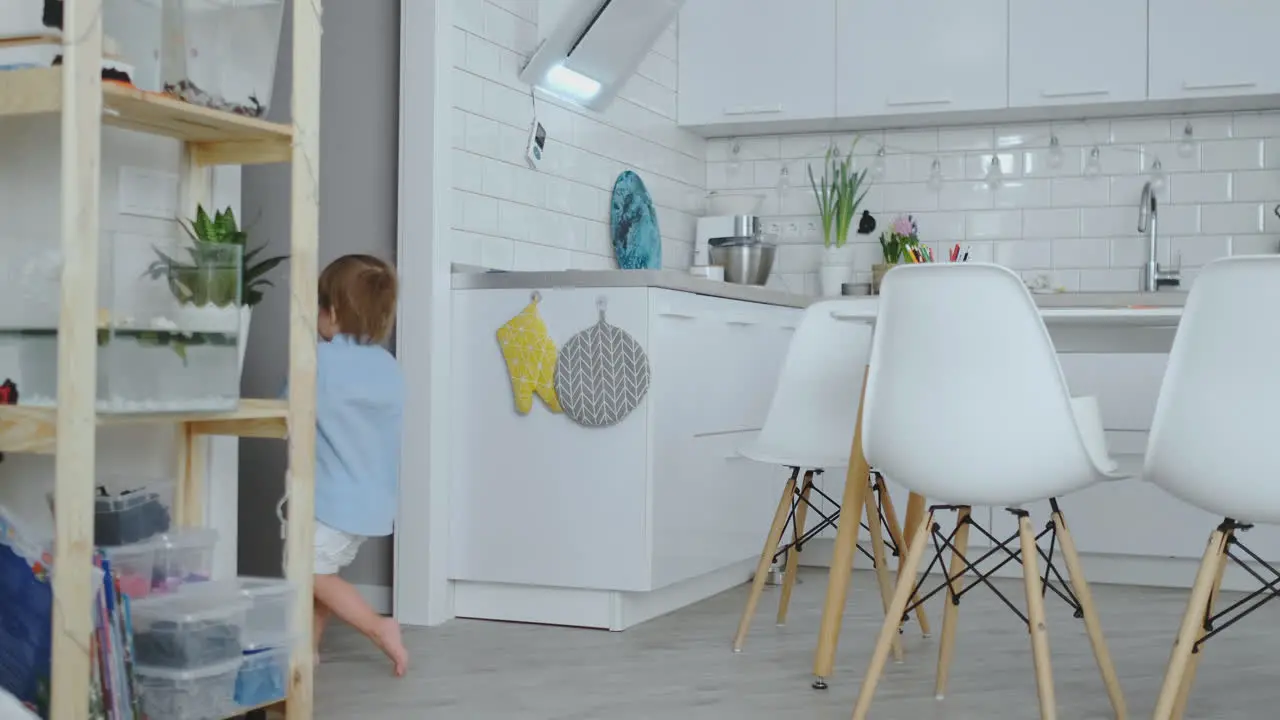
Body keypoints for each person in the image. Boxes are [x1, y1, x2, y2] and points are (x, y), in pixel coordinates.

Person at [293, 254, 408, 676]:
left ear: (333, 312)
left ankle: (380, 627)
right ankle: (307, 648)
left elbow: (291, 405)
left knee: (305, 570)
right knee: (323, 573)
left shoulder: (319, 363)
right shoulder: (388, 366)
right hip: (374, 502)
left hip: (333, 499)